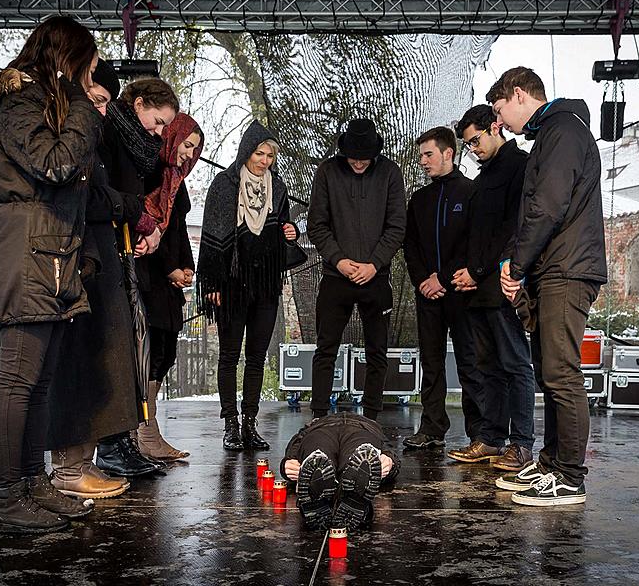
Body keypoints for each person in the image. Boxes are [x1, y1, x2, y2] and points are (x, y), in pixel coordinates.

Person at [0, 16, 101, 533]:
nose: (88, 81)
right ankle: (5, 499)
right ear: (64, 59)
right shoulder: (18, 102)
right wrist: (84, 104)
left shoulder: (36, 103)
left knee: (40, 382)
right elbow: (57, 164)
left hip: (47, 247)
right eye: (83, 68)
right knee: (19, 377)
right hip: (25, 247)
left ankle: (31, 484)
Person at [488, 67, 607, 506]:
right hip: (553, 268)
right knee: (549, 371)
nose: (499, 123)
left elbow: (547, 207)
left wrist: (516, 267)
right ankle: (554, 462)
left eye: (500, 111)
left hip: (568, 270)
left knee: (561, 372)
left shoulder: (562, 131)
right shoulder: (552, 134)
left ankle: (571, 477)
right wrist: (518, 265)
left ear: (519, 95)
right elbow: (537, 212)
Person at [46, 60, 140, 500]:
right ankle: (67, 467)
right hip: (76, 260)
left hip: (94, 259)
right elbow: (79, 193)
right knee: (77, 364)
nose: (102, 110)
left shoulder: (91, 140)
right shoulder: (65, 138)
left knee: (97, 363)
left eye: (105, 103)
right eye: (97, 100)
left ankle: (80, 461)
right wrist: (122, 203)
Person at [93, 77, 180, 478]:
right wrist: (141, 220)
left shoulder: (141, 148)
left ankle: (124, 440)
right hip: (105, 247)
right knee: (116, 351)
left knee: (133, 350)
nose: (161, 133)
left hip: (127, 247)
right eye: (158, 121)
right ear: (139, 103)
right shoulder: (112, 133)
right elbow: (106, 192)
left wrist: (148, 230)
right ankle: (112, 444)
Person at [197, 120, 299, 451]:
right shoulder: (224, 186)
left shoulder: (278, 188)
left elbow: (283, 224)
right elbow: (212, 239)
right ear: (246, 152)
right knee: (229, 356)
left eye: (270, 155)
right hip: (231, 284)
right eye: (259, 153)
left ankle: (250, 424)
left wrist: (290, 230)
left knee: (256, 357)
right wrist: (212, 281)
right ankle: (230, 425)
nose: (264, 160)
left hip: (266, 284)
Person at [449, 105, 536, 471]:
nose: (473, 149)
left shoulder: (519, 165)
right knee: (487, 366)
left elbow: (513, 231)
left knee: (515, 363)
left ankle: (522, 445)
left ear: (495, 127)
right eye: (468, 145)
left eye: (476, 141)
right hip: (479, 289)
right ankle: (491, 439)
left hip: (502, 282)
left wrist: (479, 269)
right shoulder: (484, 174)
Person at [307, 119, 407, 421]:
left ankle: (372, 418)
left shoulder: (390, 172)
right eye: (353, 157)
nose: (359, 163)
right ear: (344, 151)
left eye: (365, 158)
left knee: (378, 351)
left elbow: (397, 226)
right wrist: (339, 260)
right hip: (336, 277)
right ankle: (319, 417)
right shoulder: (327, 172)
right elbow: (316, 225)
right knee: (326, 349)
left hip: (376, 278)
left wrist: (374, 264)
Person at [401, 127, 482, 450]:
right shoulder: (419, 199)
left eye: (428, 154)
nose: (422, 161)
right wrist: (424, 280)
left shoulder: (471, 192)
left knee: (470, 361)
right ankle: (432, 428)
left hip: (462, 292)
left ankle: (479, 433)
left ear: (448, 153)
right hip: (428, 296)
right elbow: (410, 246)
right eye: (420, 155)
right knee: (431, 362)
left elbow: (473, 245)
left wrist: (443, 278)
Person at [136, 112, 204, 461]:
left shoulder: (177, 180)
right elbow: (148, 232)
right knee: (151, 354)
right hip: (150, 276)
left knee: (165, 354)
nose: (189, 153)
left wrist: (187, 267)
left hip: (170, 278)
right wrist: (170, 269)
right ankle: (143, 434)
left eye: (195, 148)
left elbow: (177, 229)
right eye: (186, 145)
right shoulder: (152, 173)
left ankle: (149, 431)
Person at [280, 412, 399, 531]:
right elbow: (386, 445)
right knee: (357, 458)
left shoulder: (313, 424)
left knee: (321, 455)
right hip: (360, 430)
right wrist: (390, 460)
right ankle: (351, 500)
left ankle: (319, 500)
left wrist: (389, 462)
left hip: (323, 430)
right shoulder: (372, 424)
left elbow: (297, 441)